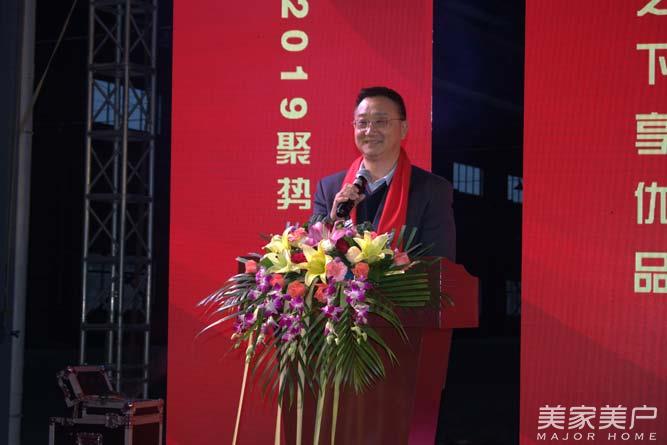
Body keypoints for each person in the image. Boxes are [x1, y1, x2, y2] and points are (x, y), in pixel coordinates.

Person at [312, 86, 456, 260]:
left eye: (380, 122)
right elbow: (312, 255)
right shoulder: (329, 188)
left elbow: (439, 264)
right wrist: (332, 220)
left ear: (403, 128)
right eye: (362, 123)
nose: (369, 130)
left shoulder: (432, 190)